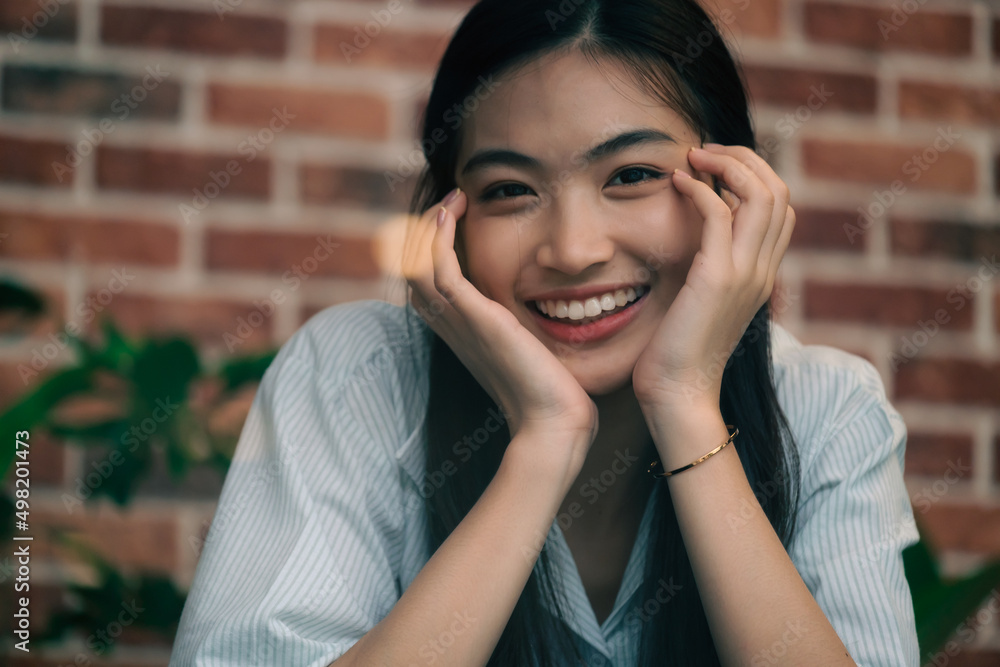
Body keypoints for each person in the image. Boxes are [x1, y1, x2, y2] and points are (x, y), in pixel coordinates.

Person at [168, 0, 921, 665]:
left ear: (733, 192)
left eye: (630, 175)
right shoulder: (355, 377)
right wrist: (545, 441)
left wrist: (685, 399)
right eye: (508, 190)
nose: (572, 248)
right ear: (448, 223)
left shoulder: (828, 409)